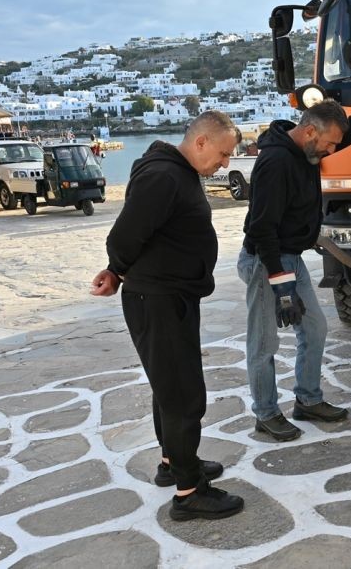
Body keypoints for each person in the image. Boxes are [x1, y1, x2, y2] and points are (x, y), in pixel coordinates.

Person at [238, 69, 351, 441]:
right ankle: (266, 414)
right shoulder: (275, 164)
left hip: (290, 256)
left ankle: (307, 400)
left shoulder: (308, 144)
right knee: (264, 341)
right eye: (330, 145)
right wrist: (281, 286)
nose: (333, 152)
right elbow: (261, 230)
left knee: (314, 329)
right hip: (266, 260)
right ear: (310, 131)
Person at [91, 111, 244, 521]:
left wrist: (119, 270)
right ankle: (189, 492)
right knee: (182, 394)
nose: (225, 164)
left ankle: (172, 462)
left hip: (169, 294)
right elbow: (125, 235)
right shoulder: (163, 176)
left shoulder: (176, 170)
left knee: (169, 386)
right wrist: (116, 269)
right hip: (157, 298)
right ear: (200, 142)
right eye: (223, 154)